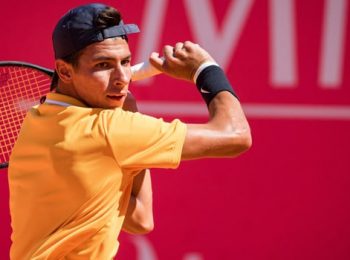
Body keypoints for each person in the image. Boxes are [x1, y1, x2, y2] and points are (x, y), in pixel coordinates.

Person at [8, 3, 252, 259]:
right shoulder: (109, 131)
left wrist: (129, 115)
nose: (122, 77)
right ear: (65, 71)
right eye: (103, 65)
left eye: (125, 61)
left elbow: (140, 219)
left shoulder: (37, 119)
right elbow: (236, 135)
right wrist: (204, 69)